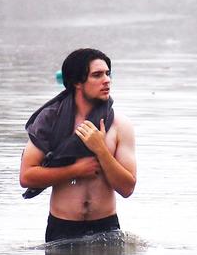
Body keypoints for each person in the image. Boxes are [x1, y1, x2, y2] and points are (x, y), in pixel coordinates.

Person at [20, 48, 137, 243]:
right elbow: (26, 177)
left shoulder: (119, 125)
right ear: (77, 82)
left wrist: (101, 149)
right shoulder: (50, 121)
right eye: (97, 75)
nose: (107, 80)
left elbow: (127, 188)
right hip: (62, 227)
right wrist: (75, 170)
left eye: (108, 74)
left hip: (106, 227)